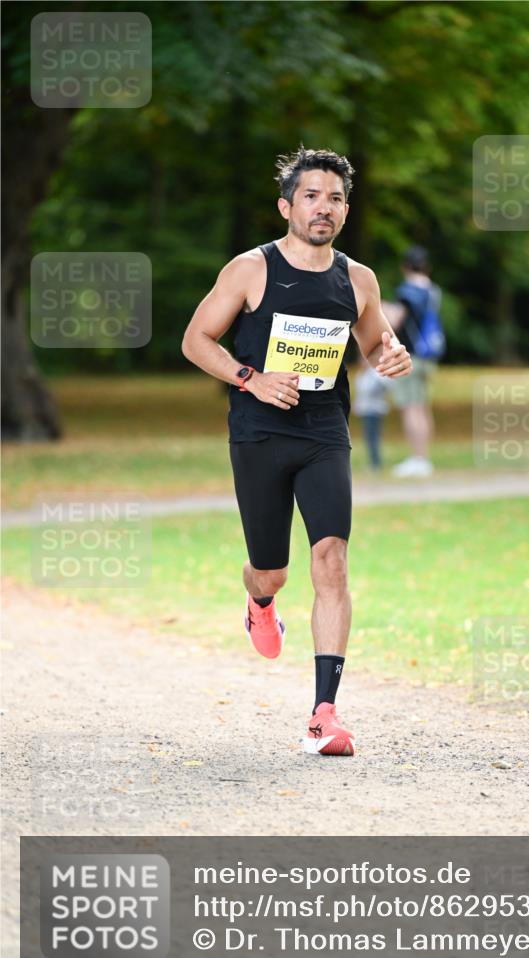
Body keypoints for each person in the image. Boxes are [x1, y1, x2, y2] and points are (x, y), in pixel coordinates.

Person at [181, 146, 412, 756]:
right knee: (273, 567)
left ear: (344, 210)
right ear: (287, 206)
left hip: (323, 432)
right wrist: (248, 378)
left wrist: (391, 355)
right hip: (258, 431)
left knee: (331, 558)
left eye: (335, 198)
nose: (324, 207)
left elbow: (375, 343)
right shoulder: (251, 269)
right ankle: (260, 601)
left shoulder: (358, 279)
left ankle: (324, 714)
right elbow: (195, 339)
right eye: (311, 195)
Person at [389, 246, 443, 478]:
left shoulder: (407, 290)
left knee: (411, 407)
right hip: (429, 355)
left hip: (411, 355)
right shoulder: (433, 290)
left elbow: (396, 320)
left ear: (405, 266)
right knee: (422, 406)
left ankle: (418, 459)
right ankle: (424, 457)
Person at [352, 357, 389, 470]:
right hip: (365, 411)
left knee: (373, 437)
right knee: (369, 437)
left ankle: (376, 463)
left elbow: (379, 388)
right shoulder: (361, 375)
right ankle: (373, 461)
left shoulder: (375, 375)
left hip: (374, 411)